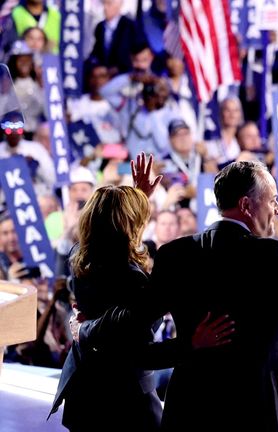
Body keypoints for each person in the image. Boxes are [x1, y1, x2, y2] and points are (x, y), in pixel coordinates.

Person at [78, 161, 278, 431]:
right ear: (246, 205)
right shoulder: (273, 255)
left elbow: (134, 344)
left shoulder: (175, 255)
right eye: (272, 199)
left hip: (192, 412)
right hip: (260, 415)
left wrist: (186, 348)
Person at [49, 154, 232, 431]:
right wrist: (192, 344)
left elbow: (113, 230)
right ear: (128, 224)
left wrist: (138, 198)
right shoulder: (131, 279)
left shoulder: (80, 257)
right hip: (124, 402)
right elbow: (140, 355)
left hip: (85, 391)